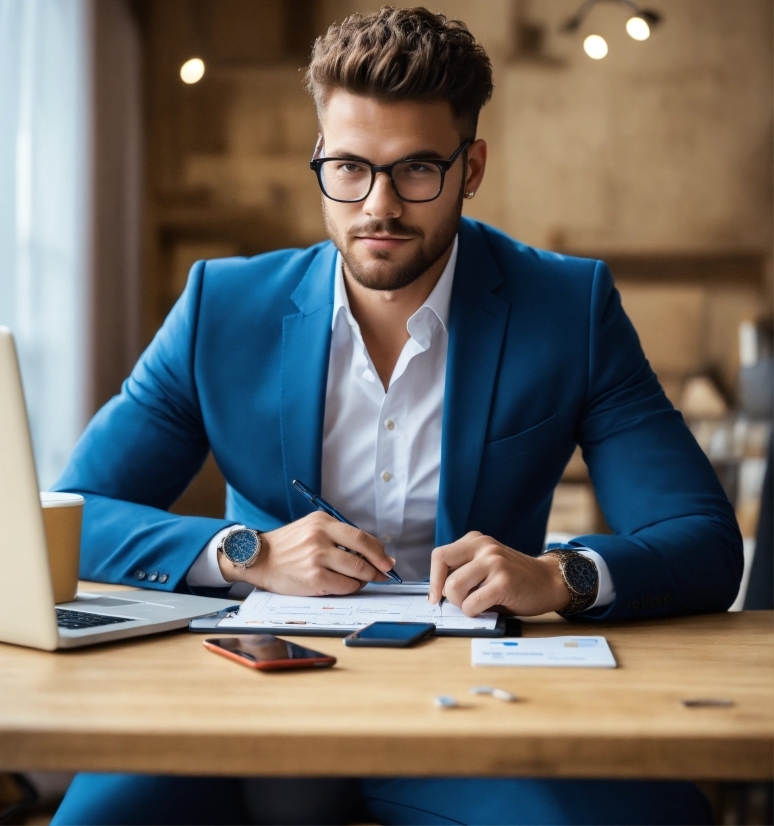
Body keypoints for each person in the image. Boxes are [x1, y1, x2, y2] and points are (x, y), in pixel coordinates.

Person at [52, 6, 740, 825]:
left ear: (470, 165)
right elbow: (68, 516)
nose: (377, 206)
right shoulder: (219, 307)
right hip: (245, 694)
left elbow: (701, 541)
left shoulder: (568, 308)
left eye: (416, 170)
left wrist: (558, 575)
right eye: (348, 168)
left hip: (473, 704)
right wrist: (245, 551)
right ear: (319, 158)